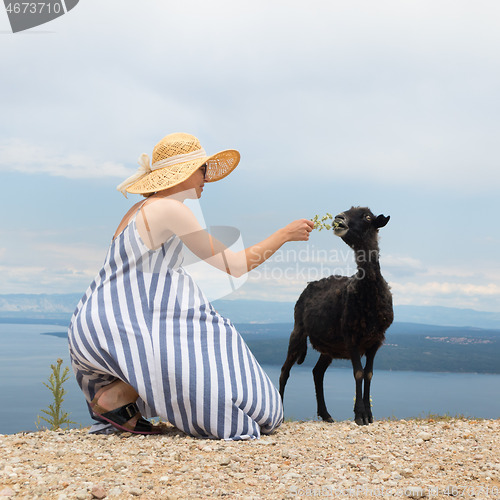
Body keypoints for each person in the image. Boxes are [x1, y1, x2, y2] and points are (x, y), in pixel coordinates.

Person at [68, 132, 314, 440]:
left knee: (204, 332)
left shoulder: (138, 211)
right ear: (182, 172)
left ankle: (118, 397)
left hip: (97, 321)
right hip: (126, 324)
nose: (206, 178)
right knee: (259, 403)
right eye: (202, 170)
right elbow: (234, 265)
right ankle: (120, 397)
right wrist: (284, 234)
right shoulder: (170, 209)